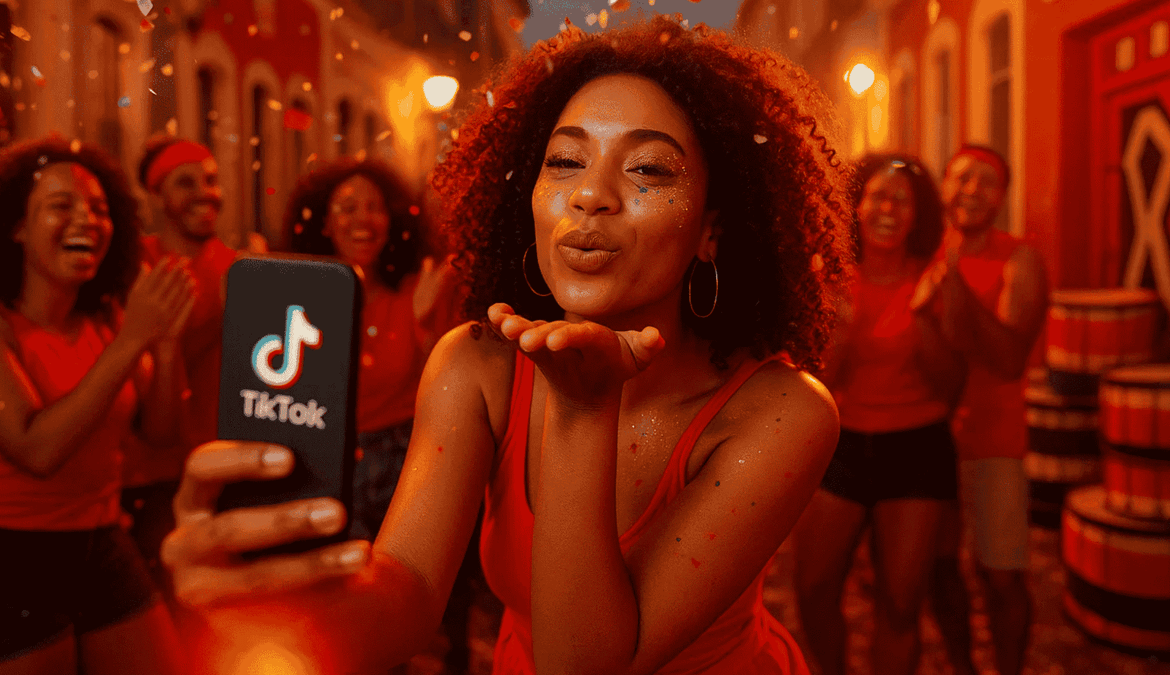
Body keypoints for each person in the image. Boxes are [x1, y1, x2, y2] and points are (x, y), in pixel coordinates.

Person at [161, 17, 851, 675]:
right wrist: (285, 604)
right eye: (565, 160)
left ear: (712, 230)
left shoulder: (783, 411)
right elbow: (407, 590)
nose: (591, 195)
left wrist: (582, 408)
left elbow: (584, 664)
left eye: (648, 170)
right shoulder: (477, 363)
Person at [0, 137, 194, 674]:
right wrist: (134, 340)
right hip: (16, 554)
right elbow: (36, 450)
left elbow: (161, 434)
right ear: (16, 226)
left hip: (103, 541)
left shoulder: (106, 319)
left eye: (99, 209)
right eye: (61, 206)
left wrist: (166, 342)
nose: (86, 219)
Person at [790, 155, 963, 675]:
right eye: (878, 196)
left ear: (919, 215)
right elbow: (816, 384)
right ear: (856, 207)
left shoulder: (935, 279)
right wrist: (840, 324)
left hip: (917, 448)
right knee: (814, 588)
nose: (888, 208)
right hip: (840, 443)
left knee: (901, 604)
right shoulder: (831, 277)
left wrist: (923, 319)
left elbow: (953, 387)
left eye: (902, 200)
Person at [914, 145, 1049, 675]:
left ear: (1002, 198)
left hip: (994, 443)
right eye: (962, 179)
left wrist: (956, 284)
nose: (971, 191)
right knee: (939, 569)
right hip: (927, 440)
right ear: (944, 187)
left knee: (1000, 574)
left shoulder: (1020, 258)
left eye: (986, 182)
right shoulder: (920, 252)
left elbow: (1010, 358)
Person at [285, 158, 459, 541]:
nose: (363, 220)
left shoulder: (422, 286)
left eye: (375, 207)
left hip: (408, 459)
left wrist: (424, 324)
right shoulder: (301, 298)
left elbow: (449, 395)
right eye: (347, 209)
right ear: (325, 224)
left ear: (392, 221)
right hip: (326, 462)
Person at [119, 135, 239, 594]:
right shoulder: (138, 267)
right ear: (156, 195)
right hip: (154, 477)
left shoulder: (234, 265)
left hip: (223, 468)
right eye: (185, 182)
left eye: (210, 180)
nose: (205, 193)